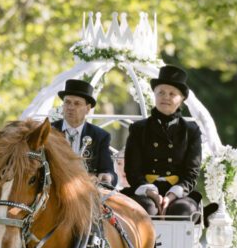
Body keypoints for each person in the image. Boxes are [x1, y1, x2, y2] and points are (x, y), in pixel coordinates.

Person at [124, 65, 203, 217]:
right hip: (145, 191)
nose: (166, 97)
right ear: (154, 95)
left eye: (172, 94)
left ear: (181, 100)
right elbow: (132, 170)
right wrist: (151, 193)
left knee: (182, 211)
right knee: (146, 209)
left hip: (178, 192)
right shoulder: (138, 129)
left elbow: (191, 173)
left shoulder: (191, 131)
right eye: (161, 92)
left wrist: (171, 196)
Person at [52, 78, 116, 187]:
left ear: (87, 108)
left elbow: (108, 170)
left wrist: (106, 176)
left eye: (77, 103)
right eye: (67, 102)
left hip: (85, 193)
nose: (70, 107)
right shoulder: (49, 131)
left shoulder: (101, 136)